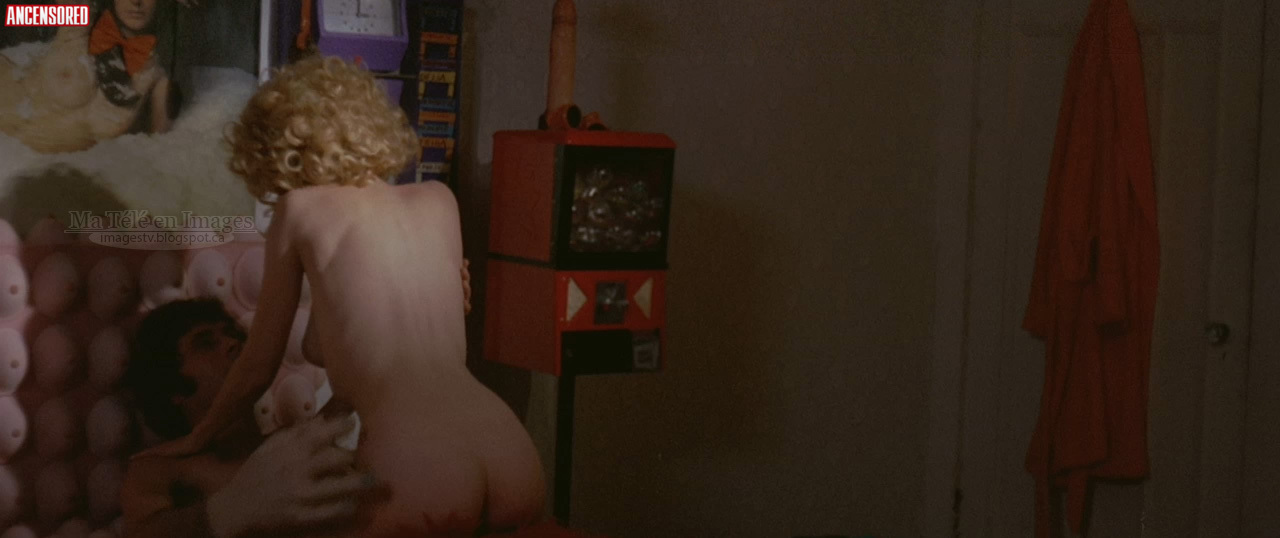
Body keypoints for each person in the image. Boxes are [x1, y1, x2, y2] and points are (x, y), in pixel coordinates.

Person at [138, 55, 547, 536]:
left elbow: (257, 365)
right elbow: (405, 330)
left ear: (273, 151)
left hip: (416, 460)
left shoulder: (300, 210)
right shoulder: (439, 199)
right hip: (508, 446)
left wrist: (198, 437)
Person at [121, 298, 378, 538]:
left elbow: (350, 392)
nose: (232, 343)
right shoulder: (158, 469)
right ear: (172, 387)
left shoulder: (293, 443)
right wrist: (228, 511)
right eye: (206, 343)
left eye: (232, 334)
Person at [0, 0, 175, 153]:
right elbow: (16, 15)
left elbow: (158, 154)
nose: (135, 2)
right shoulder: (76, 24)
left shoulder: (156, 79)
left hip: (46, 167)